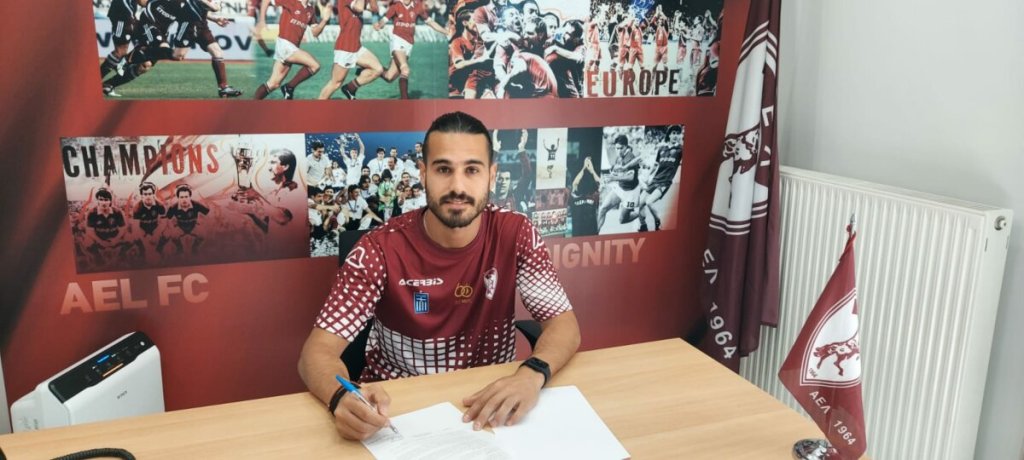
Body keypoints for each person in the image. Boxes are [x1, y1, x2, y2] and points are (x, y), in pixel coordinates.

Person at [298, 111, 580, 440]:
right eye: (444, 169)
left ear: (491, 176)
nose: (457, 186)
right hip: (397, 410)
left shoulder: (516, 233)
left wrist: (531, 374)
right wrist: (341, 399)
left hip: (489, 401)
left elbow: (564, 326)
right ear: (423, 173)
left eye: (472, 170)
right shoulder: (379, 249)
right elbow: (316, 353)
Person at [254, 0, 332, 99]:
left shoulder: (310, 9)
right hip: (284, 45)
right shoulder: (290, 1)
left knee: (273, 84)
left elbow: (315, 33)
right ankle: (289, 87)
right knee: (314, 65)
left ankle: (253, 105)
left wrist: (324, 20)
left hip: (292, 48)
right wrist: (262, 20)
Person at [373, 0, 447, 99]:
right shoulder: (395, 6)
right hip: (397, 41)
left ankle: (370, 68)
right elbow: (384, 20)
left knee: (389, 77)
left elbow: (430, 22)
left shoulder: (418, 6)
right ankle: (405, 101)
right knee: (405, 69)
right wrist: (379, 25)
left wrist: (446, 31)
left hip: (409, 44)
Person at [318, 0, 384, 100]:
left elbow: (374, 8)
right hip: (345, 48)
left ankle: (350, 88)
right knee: (335, 83)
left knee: (377, 69)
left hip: (357, 47)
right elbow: (359, 8)